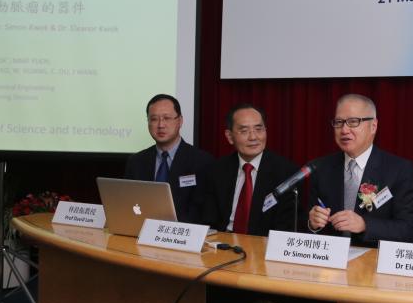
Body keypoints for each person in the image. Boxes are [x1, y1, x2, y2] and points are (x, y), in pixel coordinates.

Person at [307, 94, 413, 247]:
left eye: (353, 122)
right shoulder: (320, 168)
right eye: (339, 122)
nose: (344, 130)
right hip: (329, 262)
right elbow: (304, 226)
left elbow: (408, 230)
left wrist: (365, 224)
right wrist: (312, 224)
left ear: (373, 126)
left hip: (374, 263)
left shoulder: (398, 170)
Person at [198, 104, 301, 236]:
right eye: (244, 131)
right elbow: (208, 220)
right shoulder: (216, 170)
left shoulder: (286, 173)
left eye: (259, 129)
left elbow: (286, 227)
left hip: (263, 246)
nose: (253, 137)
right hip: (222, 244)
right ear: (229, 136)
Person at [124, 94, 213, 224]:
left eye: (167, 118)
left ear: (180, 121)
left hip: (181, 236)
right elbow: (128, 203)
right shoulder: (136, 161)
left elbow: (201, 210)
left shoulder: (202, 161)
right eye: (154, 119)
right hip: (140, 232)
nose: (161, 125)